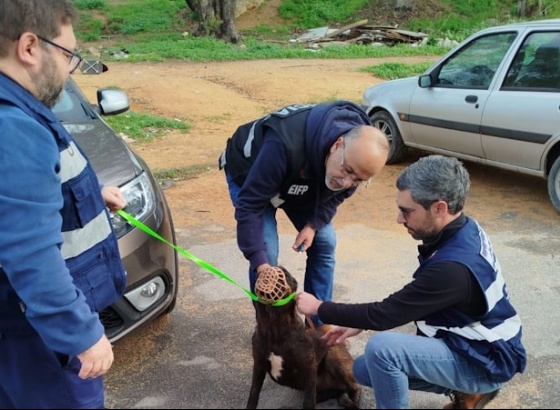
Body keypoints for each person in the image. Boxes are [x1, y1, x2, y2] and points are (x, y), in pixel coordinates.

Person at [296, 154, 527, 409]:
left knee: (383, 351)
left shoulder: (453, 268)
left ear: (439, 208)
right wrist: (357, 324)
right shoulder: (464, 228)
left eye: (407, 211)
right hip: (477, 345)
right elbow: (410, 301)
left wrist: (319, 307)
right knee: (363, 369)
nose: (398, 218)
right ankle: (468, 391)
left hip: (486, 360)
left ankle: (477, 385)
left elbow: (385, 314)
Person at [0, 1, 128, 408]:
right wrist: (81, 335)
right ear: (30, 47)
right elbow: (30, 254)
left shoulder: (19, 109)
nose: (71, 68)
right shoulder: (14, 126)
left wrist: (91, 193)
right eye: (69, 55)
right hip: (36, 343)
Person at [218, 101, 389, 326]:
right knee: (266, 251)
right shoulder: (284, 144)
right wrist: (262, 266)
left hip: (299, 181)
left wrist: (313, 225)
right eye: (347, 171)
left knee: (325, 241)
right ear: (338, 145)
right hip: (251, 172)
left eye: (358, 180)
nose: (346, 182)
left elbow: (338, 195)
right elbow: (249, 206)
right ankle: (271, 328)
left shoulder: (355, 162)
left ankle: (318, 322)